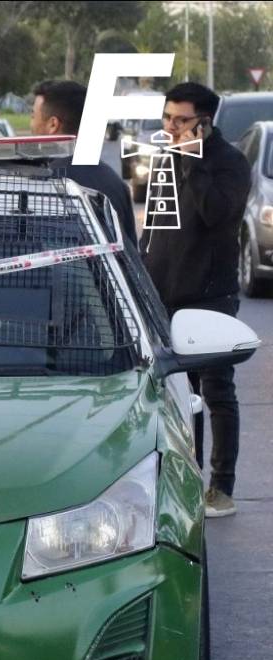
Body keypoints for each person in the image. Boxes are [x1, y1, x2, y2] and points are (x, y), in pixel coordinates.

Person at [141, 81, 252, 517]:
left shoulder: (231, 163)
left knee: (217, 391)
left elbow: (216, 215)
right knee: (177, 396)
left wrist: (194, 161)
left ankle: (221, 487)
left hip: (211, 297)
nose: (170, 127)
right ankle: (188, 477)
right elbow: (155, 224)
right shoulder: (166, 157)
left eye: (181, 120)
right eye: (166, 119)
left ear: (204, 122)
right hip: (164, 295)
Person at [30, 79, 140, 246]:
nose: (31, 124)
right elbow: (130, 256)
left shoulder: (38, 183)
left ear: (53, 124)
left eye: (33, 116)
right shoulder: (115, 183)